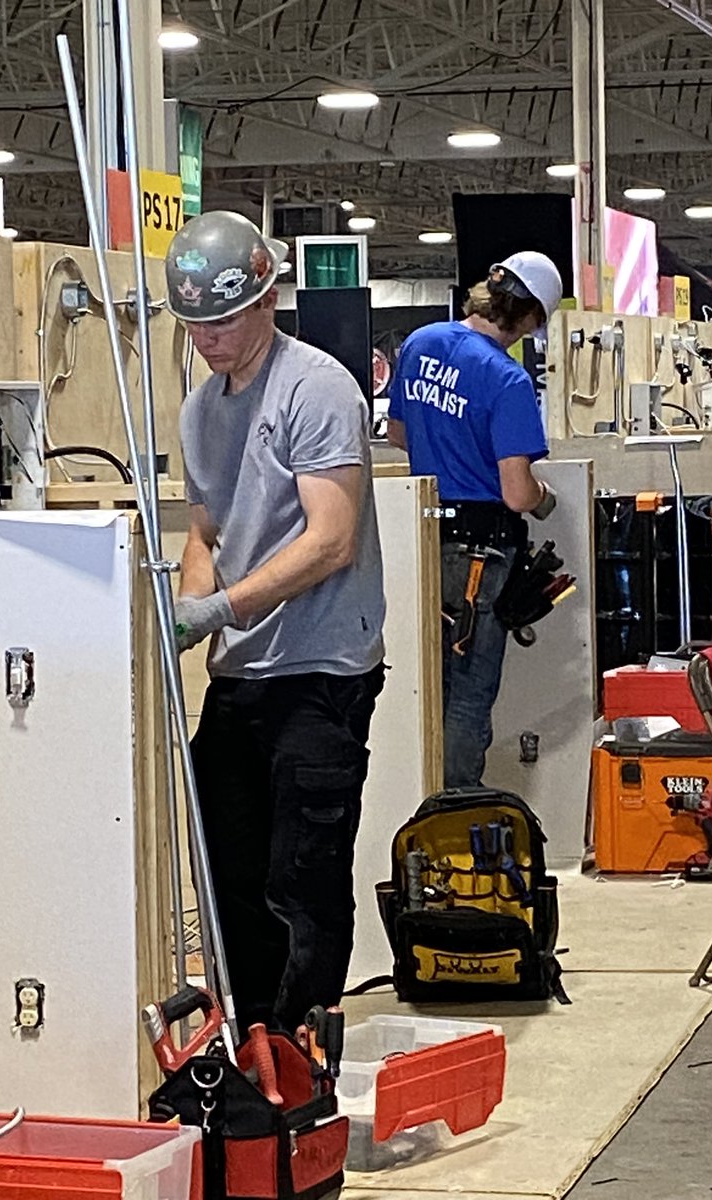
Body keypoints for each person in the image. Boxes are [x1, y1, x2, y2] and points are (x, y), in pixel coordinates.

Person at [165, 210, 386, 1036]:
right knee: (228, 872)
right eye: (195, 325)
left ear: (266, 300)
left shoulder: (317, 387)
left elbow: (331, 540)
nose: (210, 340)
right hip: (243, 674)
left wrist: (222, 608)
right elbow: (206, 532)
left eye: (223, 320)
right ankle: (250, 1035)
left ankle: (302, 1046)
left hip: (321, 673)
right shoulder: (199, 412)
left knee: (302, 876)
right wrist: (192, 610)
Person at [386, 251, 562, 788]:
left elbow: (398, 435)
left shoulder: (421, 343)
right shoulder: (506, 379)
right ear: (529, 315)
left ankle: (418, 805)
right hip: (480, 555)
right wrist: (544, 497)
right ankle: (457, 812)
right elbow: (515, 493)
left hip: (424, 534)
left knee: (423, 687)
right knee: (466, 694)